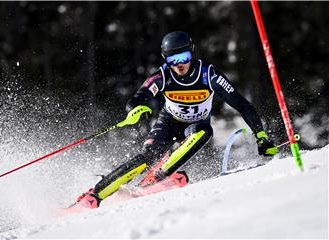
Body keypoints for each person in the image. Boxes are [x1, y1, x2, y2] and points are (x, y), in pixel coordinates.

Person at [77, 31, 278, 208]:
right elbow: (139, 97)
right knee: (147, 157)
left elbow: (241, 104)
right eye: (173, 60)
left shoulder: (208, 74)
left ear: (192, 53)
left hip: (194, 125)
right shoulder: (163, 76)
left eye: (184, 57)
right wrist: (135, 109)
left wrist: (260, 135)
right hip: (168, 123)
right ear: (166, 60)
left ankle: (157, 177)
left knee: (204, 132)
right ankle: (95, 194)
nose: (179, 64)